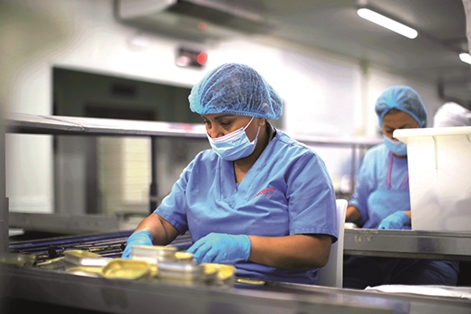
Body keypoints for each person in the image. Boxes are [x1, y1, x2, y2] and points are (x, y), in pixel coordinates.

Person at [121, 63, 338, 285]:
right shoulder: (202, 166)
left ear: (260, 116)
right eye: (207, 122)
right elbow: (165, 221)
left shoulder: (300, 164)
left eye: (225, 122)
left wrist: (243, 246)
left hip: (278, 293)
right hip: (209, 286)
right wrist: (143, 237)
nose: (215, 133)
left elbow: (315, 251)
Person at [343, 85, 459, 289]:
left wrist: (405, 215)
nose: (396, 136)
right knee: (349, 291)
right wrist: (338, 214)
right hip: (374, 253)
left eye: (405, 129)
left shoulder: (437, 156)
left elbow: (447, 207)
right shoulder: (374, 157)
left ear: (421, 123)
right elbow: (360, 205)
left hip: (426, 255)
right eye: (389, 130)